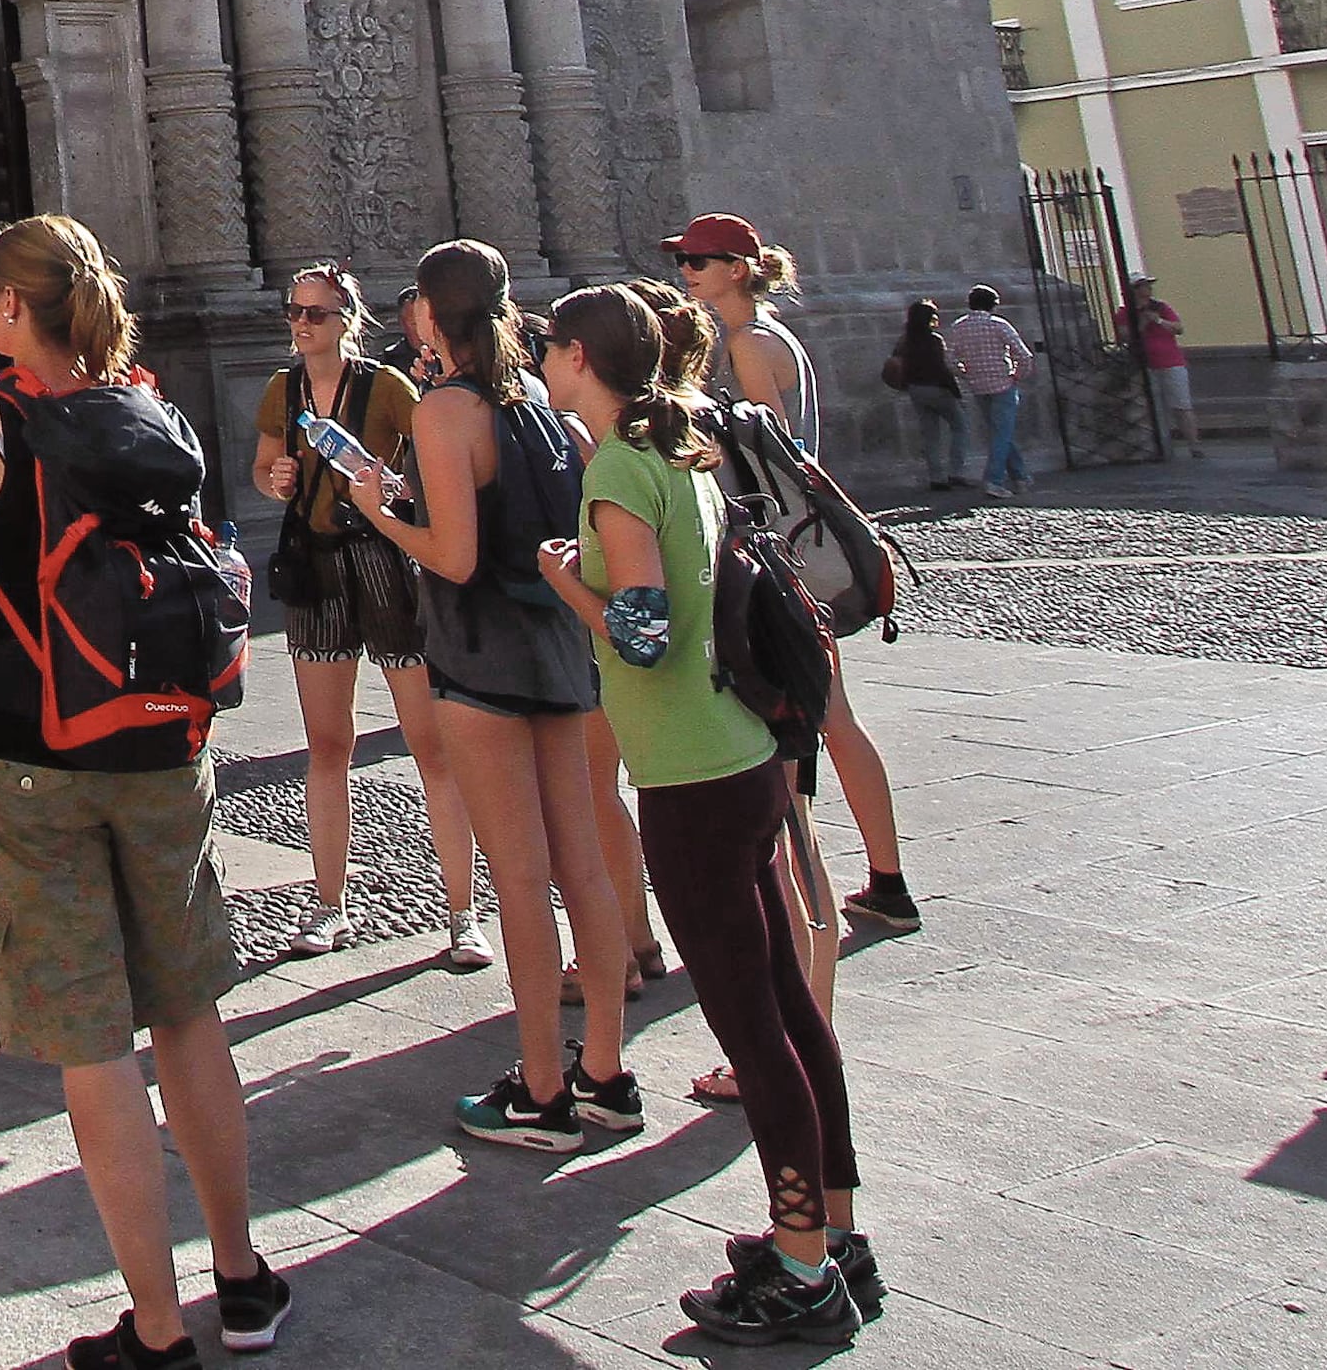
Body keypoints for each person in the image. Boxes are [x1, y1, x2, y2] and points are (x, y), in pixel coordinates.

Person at [0, 213, 288, 1370]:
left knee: (94, 1045)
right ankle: (243, 1277)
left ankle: (157, 1327)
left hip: (31, 759)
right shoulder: (153, 410)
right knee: (188, 1014)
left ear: (10, 312)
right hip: (165, 748)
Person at [537, 285, 875, 1346]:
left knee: (750, 1028)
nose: (540, 361)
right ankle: (835, 1231)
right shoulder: (674, 448)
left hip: (686, 779)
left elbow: (641, 635)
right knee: (785, 1005)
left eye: (548, 347)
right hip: (739, 755)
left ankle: (799, 1268)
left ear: (580, 359)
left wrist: (566, 585)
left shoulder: (611, 471)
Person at [340, 240, 641, 1150]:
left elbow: (456, 557)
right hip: (557, 645)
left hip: (482, 660)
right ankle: (607, 1077)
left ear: (433, 313)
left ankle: (542, 1090)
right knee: (580, 860)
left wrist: (379, 510)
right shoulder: (540, 405)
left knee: (517, 878)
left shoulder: (447, 407)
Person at [676, 218, 916, 953]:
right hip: (797, 553)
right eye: (684, 260)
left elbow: (766, 460)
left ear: (738, 267)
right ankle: (885, 879)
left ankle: (810, 898)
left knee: (810, 727)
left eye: (699, 261)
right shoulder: (773, 334)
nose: (688, 270)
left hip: (781, 556)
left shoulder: (749, 344)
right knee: (834, 717)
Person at [246, 264, 474, 962]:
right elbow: (264, 467)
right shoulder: (281, 390)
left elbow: (434, 463)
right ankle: (329, 903)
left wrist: (396, 484)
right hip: (316, 563)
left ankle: (463, 910)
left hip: (382, 558)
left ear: (348, 317)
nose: (303, 323)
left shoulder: (387, 387)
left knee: (428, 741)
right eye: (295, 311)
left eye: (317, 312)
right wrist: (275, 477)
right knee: (326, 741)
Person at [941, 285, 1034, 500]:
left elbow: (950, 359)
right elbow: (1024, 355)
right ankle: (994, 480)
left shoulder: (959, 326)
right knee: (1002, 433)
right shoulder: (998, 325)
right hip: (1002, 384)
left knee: (1001, 433)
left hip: (978, 386)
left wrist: (965, 374)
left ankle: (1020, 477)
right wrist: (1017, 375)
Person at [883, 299, 966, 492]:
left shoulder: (905, 340)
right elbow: (940, 368)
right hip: (936, 388)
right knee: (960, 427)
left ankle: (936, 477)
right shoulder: (934, 340)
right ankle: (956, 472)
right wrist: (956, 391)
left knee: (930, 435)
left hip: (915, 389)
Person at [1123, 274, 1197, 452]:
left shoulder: (1161, 307)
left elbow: (1179, 328)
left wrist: (1158, 320)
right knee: (1149, 407)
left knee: (1181, 405)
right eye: (1143, 286)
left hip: (1171, 361)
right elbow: (1126, 337)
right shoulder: (1126, 313)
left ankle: (1194, 444)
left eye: (1148, 286)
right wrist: (1142, 322)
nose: (1147, 290)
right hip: (1144, 364)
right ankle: (1156, 445)